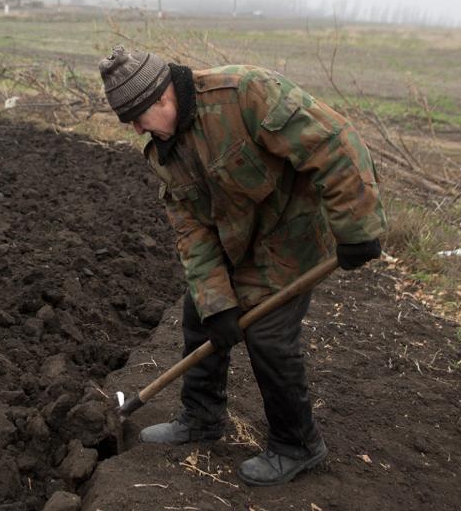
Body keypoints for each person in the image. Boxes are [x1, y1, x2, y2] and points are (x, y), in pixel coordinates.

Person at [98, 46, 386, 487]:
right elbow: (192, 231)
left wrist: (357, 227)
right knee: (201, 313)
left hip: (293, 232)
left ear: (161, 97)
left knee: (267, 335)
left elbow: (332, 142)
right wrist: (216, 303)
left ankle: (298, 445)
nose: (136, 129)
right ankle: (201, 417)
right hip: (238, 239)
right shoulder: (166, 152)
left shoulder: (246, 93)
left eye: (137, 116)